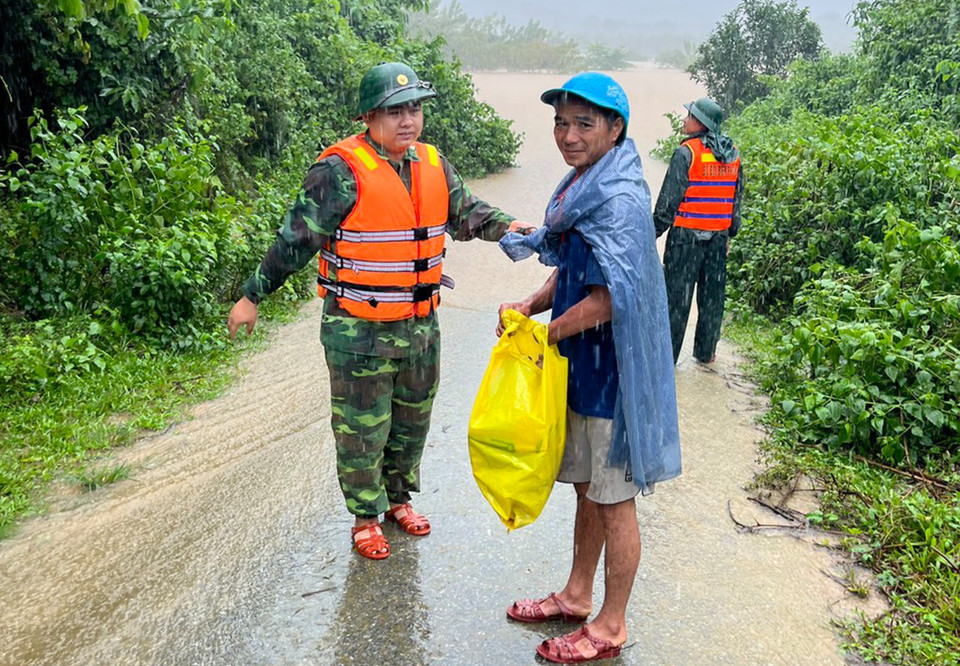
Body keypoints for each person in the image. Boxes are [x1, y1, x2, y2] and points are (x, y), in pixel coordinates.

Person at [227, 62, 532, 561]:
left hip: (419, 325)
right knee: (362, 429)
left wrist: (514, 228)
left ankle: (398, 501)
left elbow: (467, 213)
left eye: (414, 109)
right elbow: (295, 239)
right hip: (358, 331)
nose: (407, 120)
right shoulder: (338, 171)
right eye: (394, 111)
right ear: (369, 117)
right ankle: (365, 518)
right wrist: (252, 296)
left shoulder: (433, 163)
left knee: (412, 422)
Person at [496, 72, 681, 664]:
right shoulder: (583, 186)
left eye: (583, 124)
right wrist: (531, 304)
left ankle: (611, 625)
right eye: (560, 123)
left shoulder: (619, 200)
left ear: (615, 128)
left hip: (614, 378)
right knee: (588, 491)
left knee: (614, 500)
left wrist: (544, 334)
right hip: (580, 369)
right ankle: (577, 596)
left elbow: (608, 300)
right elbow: (575, 268)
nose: (568, 136)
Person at [654, 96, 744, 364]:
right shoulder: (733, 153)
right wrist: (729, 233)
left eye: (690, 116)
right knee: (712, 299)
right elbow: (735, 199)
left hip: (685, 240)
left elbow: (667, 205)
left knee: (676, 301)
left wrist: (650, 234)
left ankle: (666, 360)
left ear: (701, 122)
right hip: (717, 240)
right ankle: (706, 356)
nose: (685, 120)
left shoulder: (687, 153)